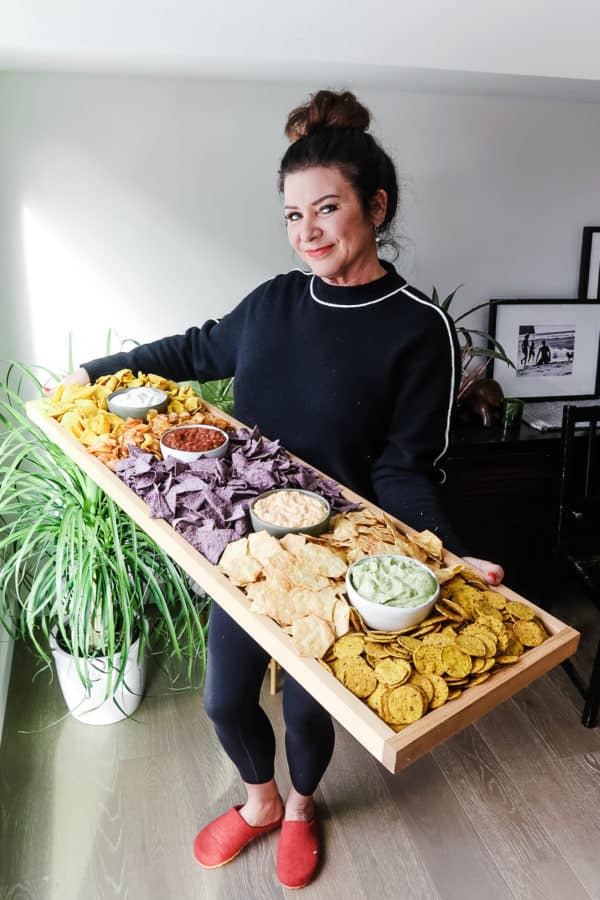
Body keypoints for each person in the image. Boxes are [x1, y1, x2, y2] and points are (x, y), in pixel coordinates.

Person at [63, 90, 504, 890]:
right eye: (292, 215)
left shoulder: (416, 328)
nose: (307, 232)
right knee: (224, 700)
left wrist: (455, 555)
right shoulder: (272, 302)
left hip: (340, 557)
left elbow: (408, 466)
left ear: (376, 206)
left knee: (307, 708)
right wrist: (96, 371)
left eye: (326, 209)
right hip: (243, 547)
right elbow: (198, 348)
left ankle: (301, 807)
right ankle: (258, 801)